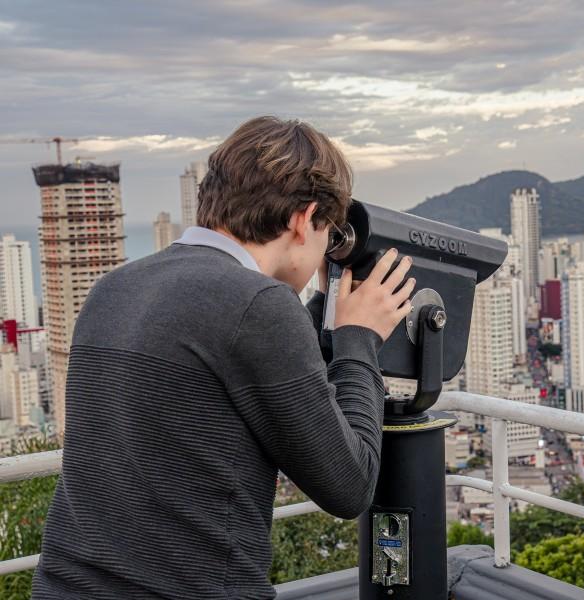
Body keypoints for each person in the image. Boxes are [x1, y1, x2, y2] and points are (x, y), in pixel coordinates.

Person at [32, 116, 415, 599]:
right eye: (330, 236)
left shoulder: (115, 287)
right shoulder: (258, 305)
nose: (326, 254)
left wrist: (327, 313)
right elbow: (349, 486)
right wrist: (358, 337)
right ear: (303, 219)